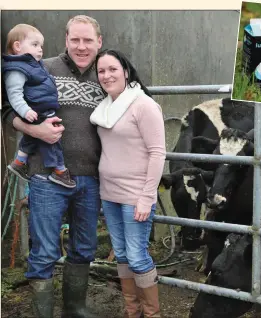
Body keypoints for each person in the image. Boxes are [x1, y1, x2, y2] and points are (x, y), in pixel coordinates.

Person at [3, 15, 104, 318]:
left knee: (85, 247)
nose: (82, 46)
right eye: (75, 39)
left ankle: (75, 308)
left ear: (99, 42)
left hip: (90, 176)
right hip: (47, 176)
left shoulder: (108, 72)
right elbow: (6, 108)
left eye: (88, 40)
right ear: (66, 40)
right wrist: (34, 131)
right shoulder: (39, 66)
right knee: (45, 250)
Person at [90, 49, 166, 318]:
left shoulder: (142, 105)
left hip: (135, 195)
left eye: (112, 69)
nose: (107, 75)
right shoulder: (105, 107)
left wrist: (147, 197)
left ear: (125, 71)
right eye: (101, 71)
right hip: (109, 193)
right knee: (121, 254)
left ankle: (152, 314)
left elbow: (157, 152)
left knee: (136, 255)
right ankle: (132, 312)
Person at [2, 23, 76, 188]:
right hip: (35, 109)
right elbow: (14, 94)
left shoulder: (34, 65)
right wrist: (25, 111)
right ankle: (59, 170)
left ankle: (19, 162)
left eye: (41, 46)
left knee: (32, 137)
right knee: (52, 137)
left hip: (40, 108)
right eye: (35, 45)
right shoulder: (16, 69)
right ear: (17, 46)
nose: (40, 49)